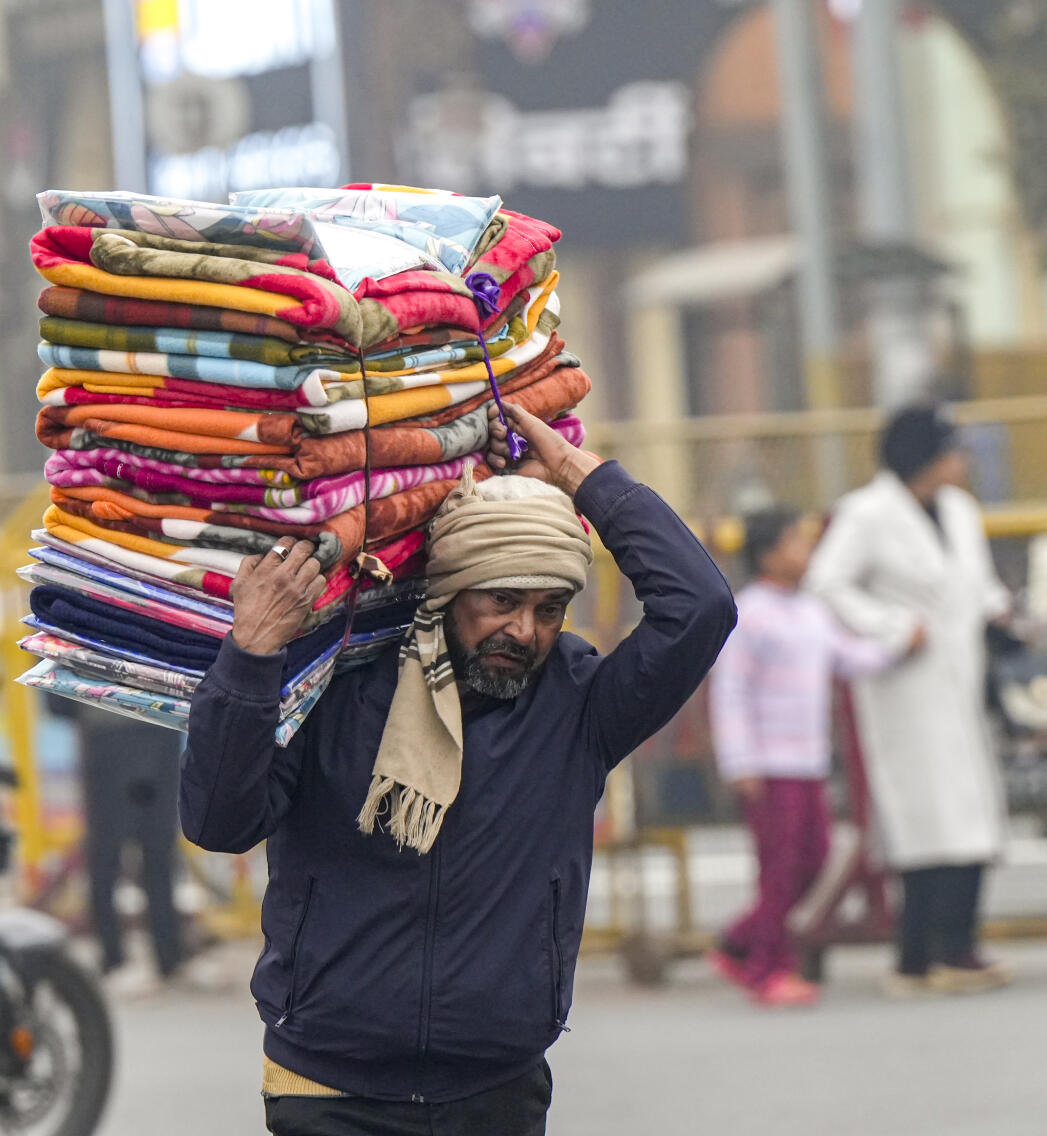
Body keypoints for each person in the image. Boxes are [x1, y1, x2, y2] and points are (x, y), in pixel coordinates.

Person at [179, 403, 736, 1136]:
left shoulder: (579, 704)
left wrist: (578, 474)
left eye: (548, 608)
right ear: (448, 592)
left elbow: (699, 607)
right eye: (500, 601)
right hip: (327, 1085)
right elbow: (220, 823)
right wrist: (251, 658)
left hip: (497, 1089)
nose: (523, 631)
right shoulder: (337, 684)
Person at [806, 405, 1012, 996]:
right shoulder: (867, 514)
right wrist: (893, 628)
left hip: (961, 679)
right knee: (925, 819)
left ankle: (957, 946)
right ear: (923, 455)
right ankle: (920, 953)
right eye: (952, 449)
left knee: (970, 813)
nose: (962, 459)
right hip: (906, 685)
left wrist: (1001, 610)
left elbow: (974, 583)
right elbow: (827, 582)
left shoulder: (960, 510)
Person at [708, 505, 900, 1007]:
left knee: (813, 862)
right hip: (768, 767)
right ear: (770, 553)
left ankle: (738, 941)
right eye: (797, 541)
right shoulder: (748, 613)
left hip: (809, 763)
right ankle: (769, 969)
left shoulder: (812, 611)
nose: (808, 551)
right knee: (780, 869)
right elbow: (730, 692)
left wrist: (902, 644)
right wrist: (739, 762)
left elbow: (849, 656)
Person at [48, 699, 185, 996]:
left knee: (144, 847)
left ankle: (163, 957)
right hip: (131, 721)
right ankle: (123, 959)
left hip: (140, 723)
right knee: (119, 849)